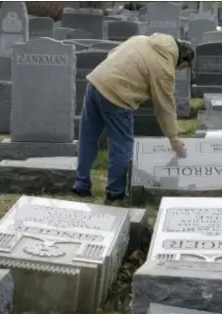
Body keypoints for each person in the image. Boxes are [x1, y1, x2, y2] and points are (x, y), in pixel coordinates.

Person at [71, 33, 195, 202]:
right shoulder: (164, 67)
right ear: (181, 58)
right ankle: (115, 193)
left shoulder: (141, 40)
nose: (179, 70)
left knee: (88, 137)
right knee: (122, 144)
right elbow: (165, 106)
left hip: (96, 82)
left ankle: (81, 185)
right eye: (182, 67)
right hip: (117, 96)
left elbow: (113, 54)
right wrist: (173, 138)